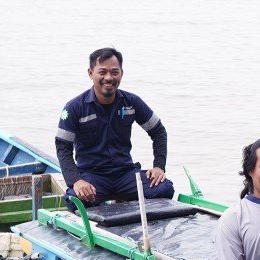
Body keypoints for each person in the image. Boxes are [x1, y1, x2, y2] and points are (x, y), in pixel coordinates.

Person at [55, 47, 174, 212]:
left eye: (114, 72)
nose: (108, 78)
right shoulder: (75, 107)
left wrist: (159, 167)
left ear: (121, 74)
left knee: (165, 188)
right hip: (92, 176)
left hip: (125, 174)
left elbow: (158, 132)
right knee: (75, 200)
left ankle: (123, 198)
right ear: (91, 73)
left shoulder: (131, 102)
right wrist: (76, 181)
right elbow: (63, 147)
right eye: (102, 72)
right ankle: (114, 200)